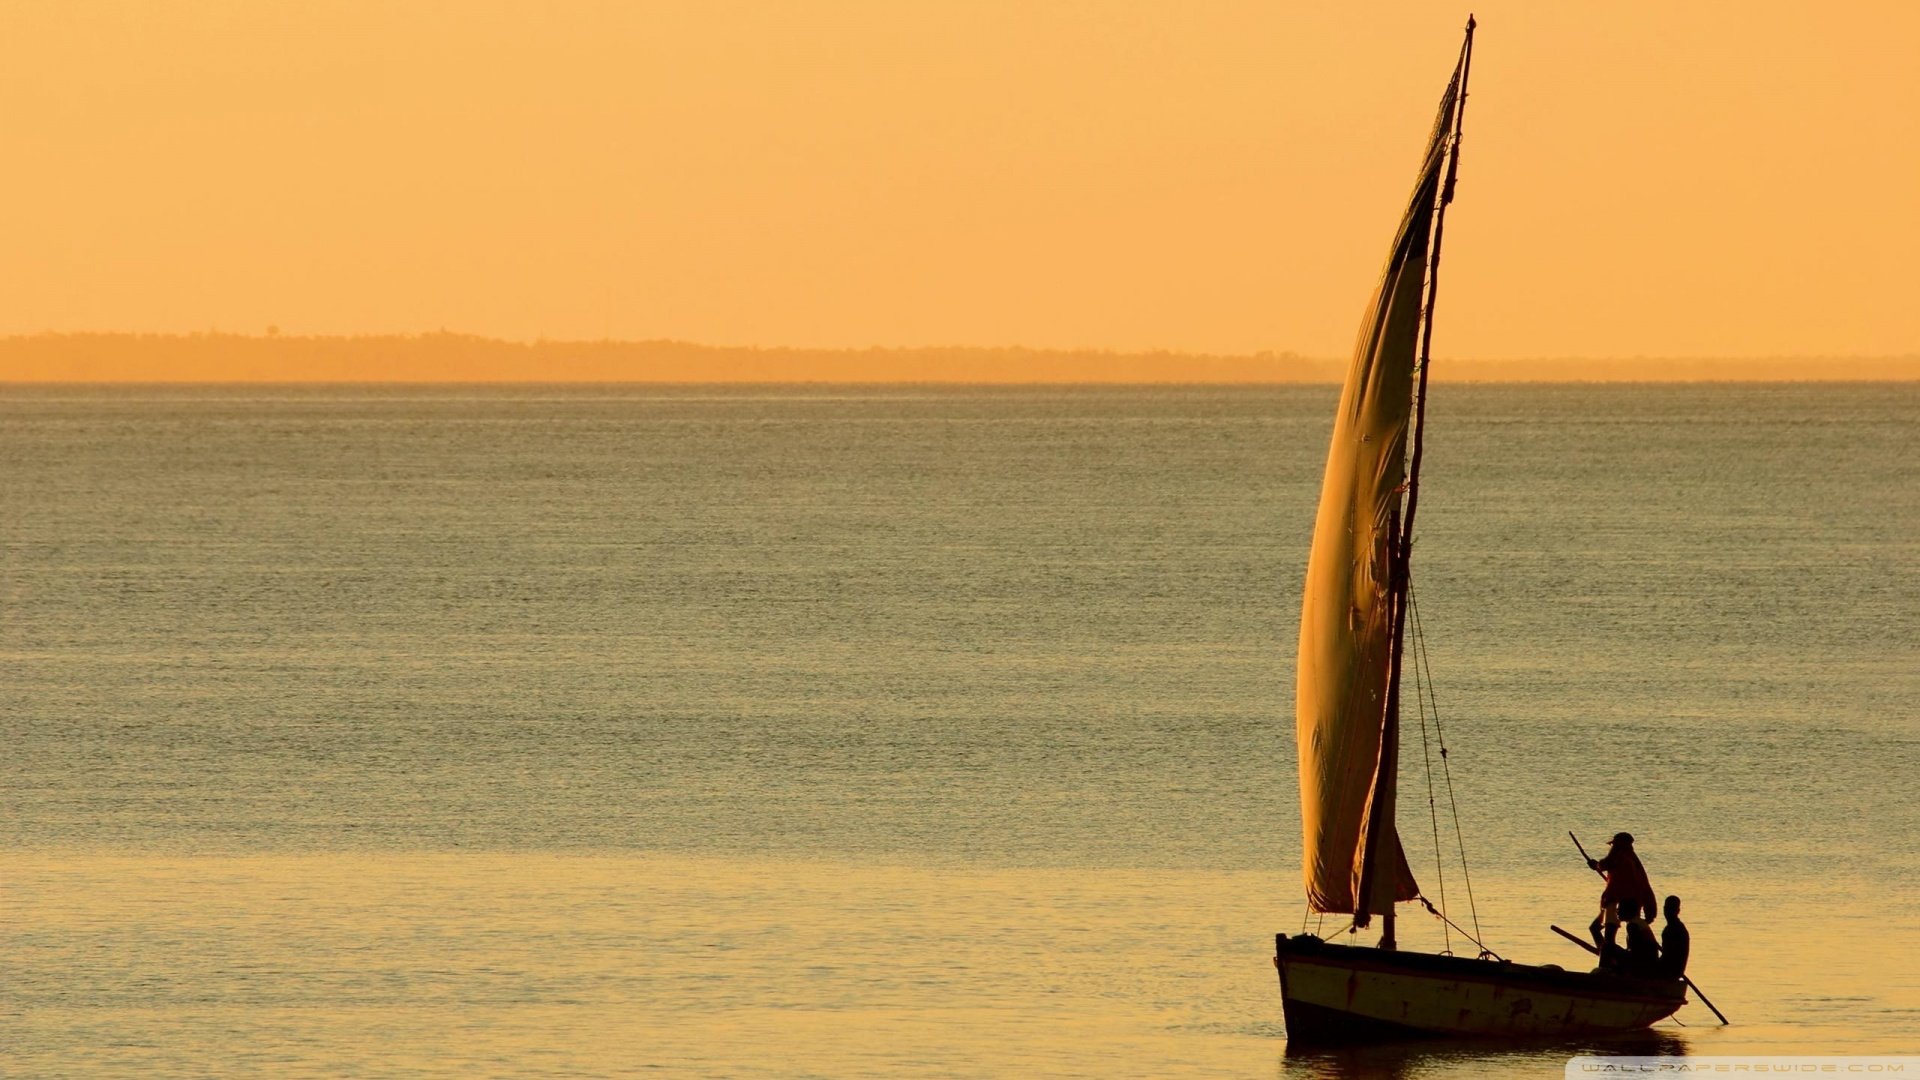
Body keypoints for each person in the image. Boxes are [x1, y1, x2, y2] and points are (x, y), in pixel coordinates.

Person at [1588, 832, 1658, 950]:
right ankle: (1626, 952)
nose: (1612, 848)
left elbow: (1605, 864)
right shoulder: (1634, 861)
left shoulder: (1619, 856)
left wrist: (1596, 865)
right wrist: (1650, 912)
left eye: (1613, 845)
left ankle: (1610, 954)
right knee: (1631, 929)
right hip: (1633, 903)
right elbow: (1645, 887)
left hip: (1618, 901)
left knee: (1611, 933)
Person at [1623, 902, 1662, 977]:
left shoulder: (1632, 925)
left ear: (1627, 911)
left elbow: (1635, 949)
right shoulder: (1638, 922)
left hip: (1644, 962)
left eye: (1620, 908)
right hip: (1648, 959)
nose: (1617, 911)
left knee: (1608, 947)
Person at [1660, 894, 1690, 978]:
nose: (1667, 911)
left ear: (1677, 911)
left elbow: (1669, 957)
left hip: (1672, 971)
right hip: (1674, 970)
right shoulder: (1673, 927)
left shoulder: (1674, 929)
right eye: (1666, 908)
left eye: (1670, 909)